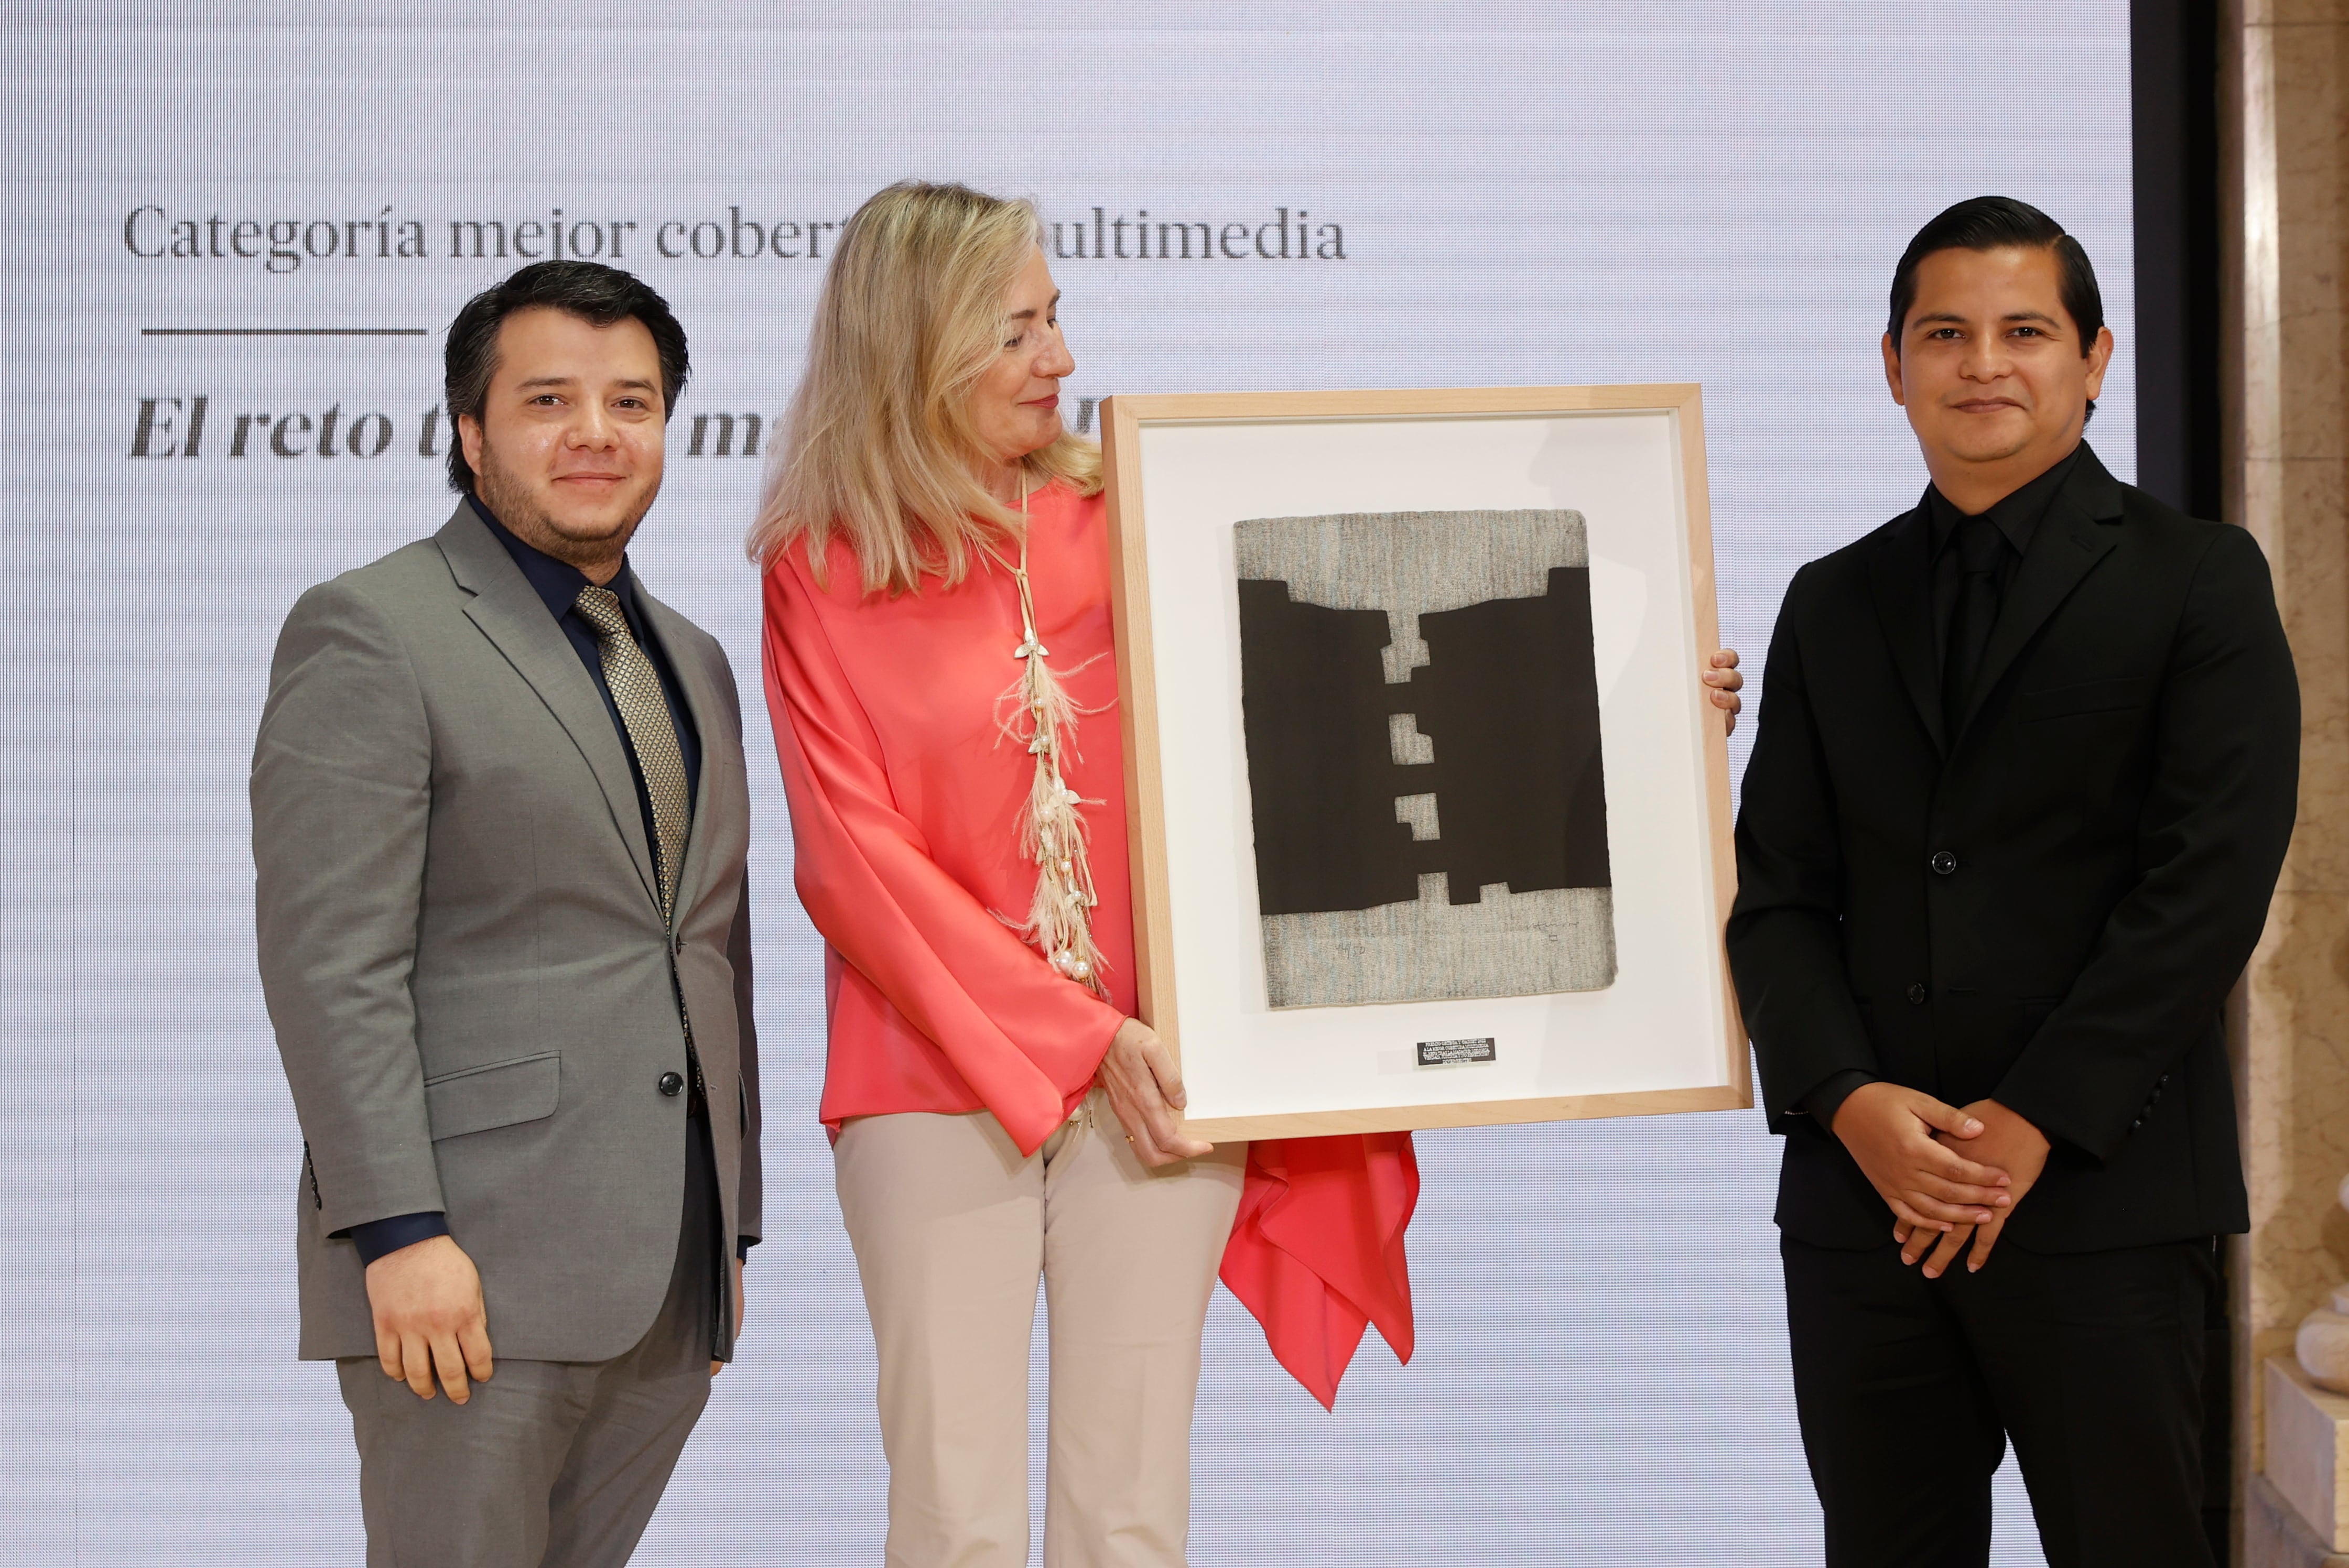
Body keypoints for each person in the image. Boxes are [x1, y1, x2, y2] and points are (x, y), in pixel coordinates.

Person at [755, 180, 1746, 1567]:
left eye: (1059, 320)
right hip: (933, 1076)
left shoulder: (1149, 505)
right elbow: (854, 862)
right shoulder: (817, 564)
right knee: (950, 1511)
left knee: (1131, 1508)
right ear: (912, 347)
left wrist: (1637, 696)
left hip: (1175, 1066)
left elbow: (1360, 682)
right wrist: (1079, 1039)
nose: (1063, 362)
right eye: (1018, 333)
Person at [1727, 195, 2300, 1568]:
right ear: (1893, 364)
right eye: (1947, 334)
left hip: (2103, 1199)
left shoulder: (2199, 579)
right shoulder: (1831, 599)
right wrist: (1849, 1103)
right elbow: (1779, 891)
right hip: (1865, 1208)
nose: (1984, 364)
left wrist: (2036, 1118)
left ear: (2094, 359)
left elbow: (2207, 885)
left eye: (2024, 331)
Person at [251, 260, 761, 1568]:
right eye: (548, 399)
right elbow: (330, 964)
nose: (595, 431)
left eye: (631, 400)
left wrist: (725, 1225)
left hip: (663, 1275)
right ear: (471, 433)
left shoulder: (693, 658)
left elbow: (704, 949)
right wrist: (399, 1229)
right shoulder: (373, 628)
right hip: (463, 1265)